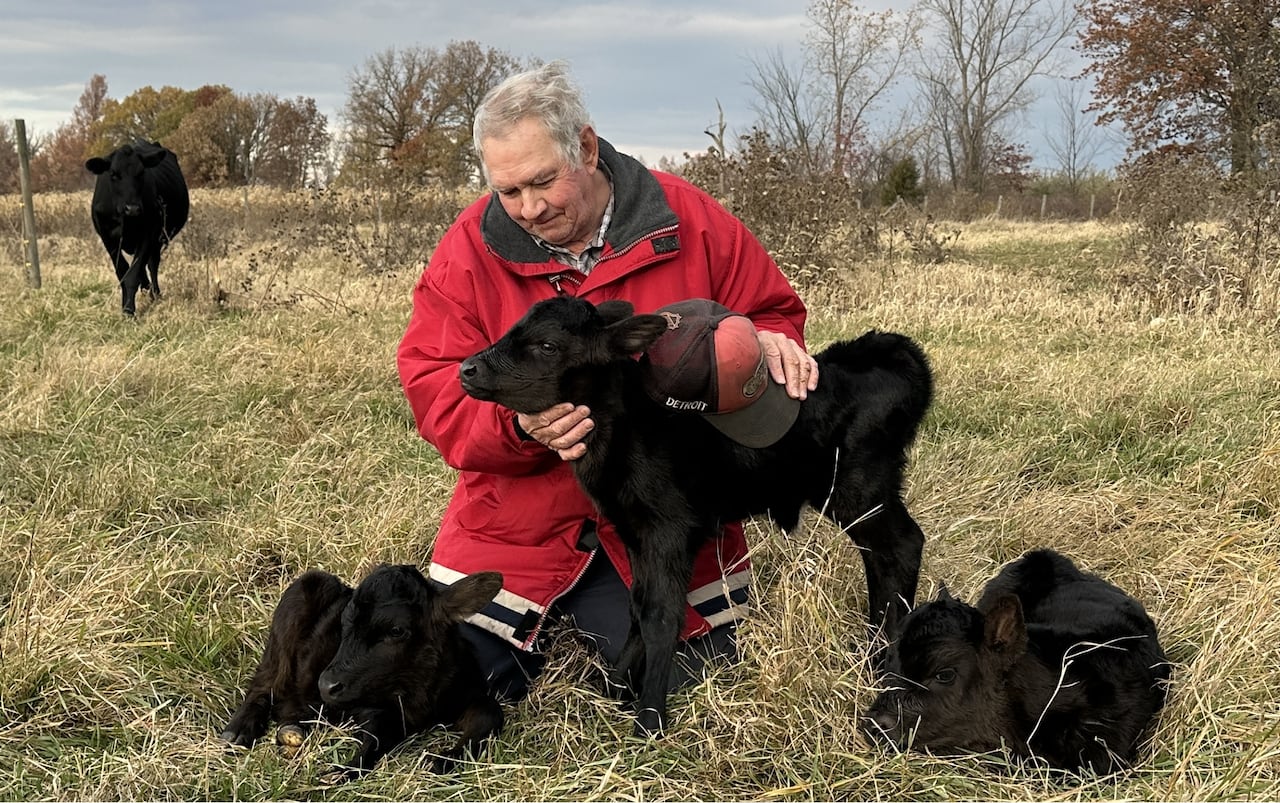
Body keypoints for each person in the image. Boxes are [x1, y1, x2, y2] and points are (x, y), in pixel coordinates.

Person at [395, 61, 819, 705]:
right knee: (437, 684)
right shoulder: (466, 251)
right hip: (516, 530)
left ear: (586, 148)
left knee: (689, 688)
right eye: (508, 192)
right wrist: (518, 426)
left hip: (665, 516)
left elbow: (771, 315)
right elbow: (434, 386)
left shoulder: (693, 221)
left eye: (543, 181)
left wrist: (766, 347)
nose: (529, 209)